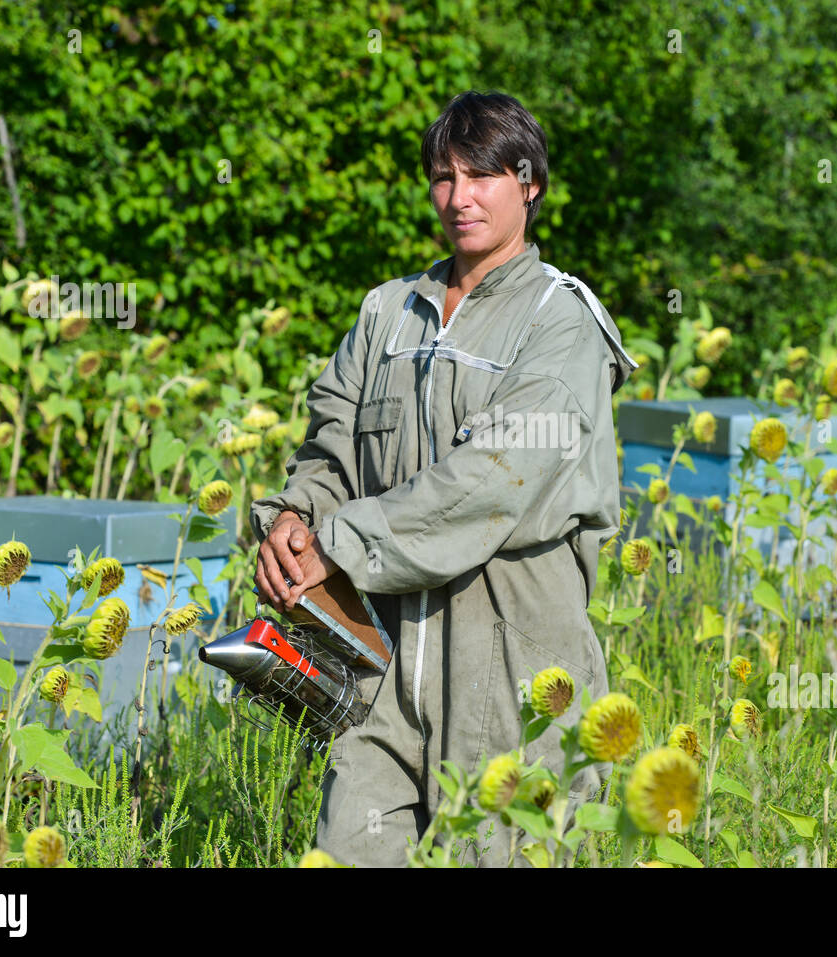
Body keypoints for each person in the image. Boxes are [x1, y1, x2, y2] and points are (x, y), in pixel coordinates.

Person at [250, 90, 637, 866]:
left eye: (483, 175)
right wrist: (296, 519)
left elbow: (491, 481)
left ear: (529, 184)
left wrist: (342, 541)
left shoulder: (561, 323)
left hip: (513, 672)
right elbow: (333, 444)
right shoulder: (388, 313)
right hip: (378, 670)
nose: (459, 198)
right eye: (443, 176)